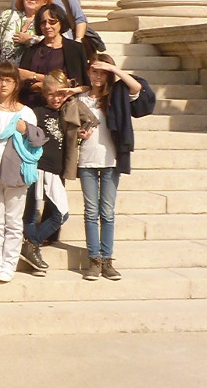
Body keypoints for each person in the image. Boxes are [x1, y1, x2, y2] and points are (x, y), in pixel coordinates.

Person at [75, 54, 155, 281]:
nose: (98, 76)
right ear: (88, 72)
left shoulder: (116, 95)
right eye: (94, 71)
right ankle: (94, 260)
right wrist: (79, 135)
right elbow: (71, 130)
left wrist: (115, 69)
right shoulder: (80, 98)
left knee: (107, 213)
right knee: (91, 212)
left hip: (110, 161)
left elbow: (138, 88)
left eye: (102, 72)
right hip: (87, 161)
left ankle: (107, 260)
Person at [0, 62, 46, 284]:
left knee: (14, 221)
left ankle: (9, 264)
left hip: (17, 174)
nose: (3, 84)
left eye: (8, 80)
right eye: (0, 79)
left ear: (16, 83)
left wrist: (26, 129)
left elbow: (37, 142)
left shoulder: (26, 112)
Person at [21, 70, 75, 276]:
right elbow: (23, 89)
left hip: (55, 170)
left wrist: (68, 91)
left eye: (61, 94)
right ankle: (32, 246)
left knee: (61, 213)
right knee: (31, 210)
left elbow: (84, 90)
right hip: (38, 166)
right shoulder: (36, 110)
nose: (56, 98)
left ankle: (31, 244)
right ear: (44, 93)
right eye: (51, 94)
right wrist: (42, 81)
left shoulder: (67, 109)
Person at [19, 4, 88, 108]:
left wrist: (36, 77)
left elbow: (84, 84)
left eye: (52, 22)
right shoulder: (31, 51)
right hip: (33, 106)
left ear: (61, 22)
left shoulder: (75, 49)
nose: (47, 26)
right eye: (43, 22)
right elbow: (22, 78)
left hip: (65, 109)